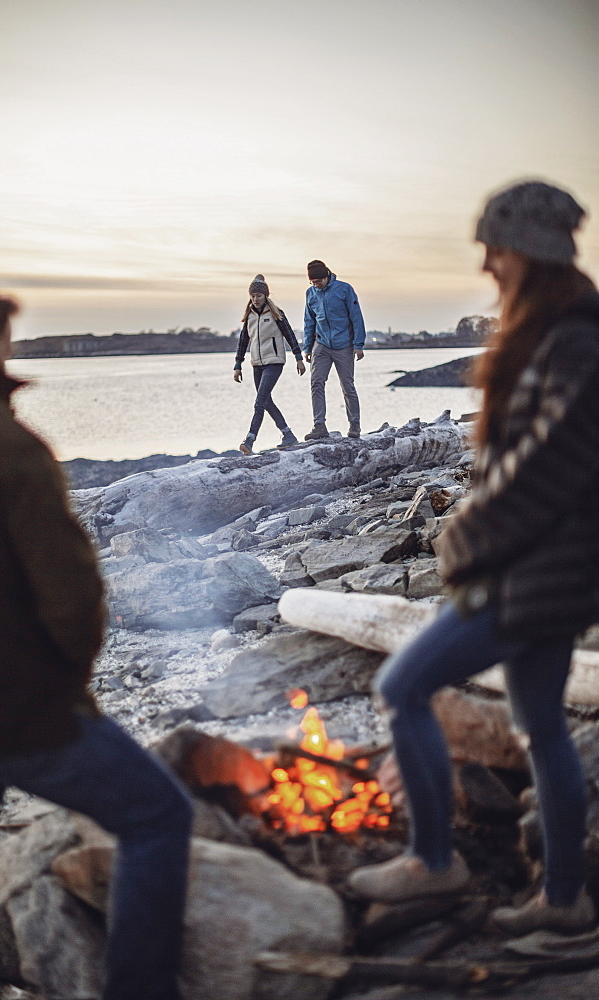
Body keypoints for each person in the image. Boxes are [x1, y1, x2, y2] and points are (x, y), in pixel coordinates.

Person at [347, 180, 599, 936]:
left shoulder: (576, 337)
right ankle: (563, 901)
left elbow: (549, 463)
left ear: (530, 248)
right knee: (541, 727)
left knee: (402, 685)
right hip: (549, 572)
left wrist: (462, 538)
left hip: (530, 575)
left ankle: (434, 863)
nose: (486, 261)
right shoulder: (558, 330)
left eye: (495, 245)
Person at [0, 276, 193, 1000]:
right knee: (158, 816)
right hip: (16, 709)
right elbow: (74, 600)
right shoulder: (7, 444)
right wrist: (64, 690)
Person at [233, 274, 305, 454]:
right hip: (256, 364)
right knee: (266, 402)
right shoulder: (249, 316)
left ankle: (249, 440)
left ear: (266, 295)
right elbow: (243, 341)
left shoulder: (276, 313)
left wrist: (298, 358)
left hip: (274, 362)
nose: (255, 299)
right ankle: (288, 434)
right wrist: (237, 365)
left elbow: (289, 335)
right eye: (252, 296)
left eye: (258, 295)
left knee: (259, 402)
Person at [302, 260, 366, 440]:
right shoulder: (311, 293)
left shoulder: (344, 289)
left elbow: (356, 317)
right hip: (321, 345)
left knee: (347, 385)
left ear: (326, 276)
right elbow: (309, 321)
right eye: (313, 282)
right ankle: (319, 425)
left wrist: (358, 345)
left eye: (318, 281)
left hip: (344, 345)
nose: (316, 285)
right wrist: (307, 347)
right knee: (316, 382)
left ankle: (355, 424)